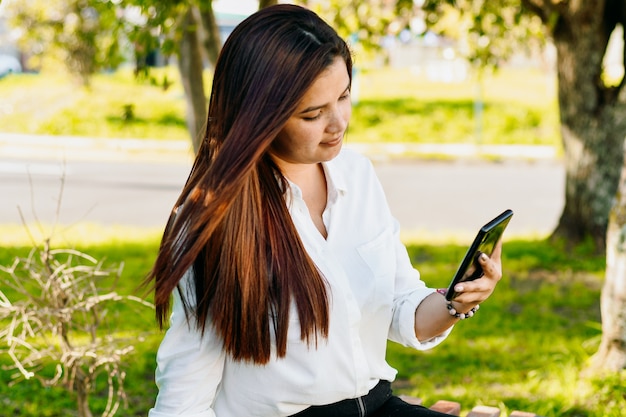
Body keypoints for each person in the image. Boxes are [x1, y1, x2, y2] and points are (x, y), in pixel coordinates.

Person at [146, 4, 503, 417]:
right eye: (313, 114)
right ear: (258, 117)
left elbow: (403, 306)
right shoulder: (211, 222)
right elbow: (183, 398)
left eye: (345, 96)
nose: (338, 124)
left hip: (378, 405)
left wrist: (457, 303)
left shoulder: (358, 175)